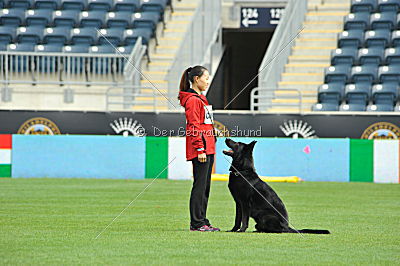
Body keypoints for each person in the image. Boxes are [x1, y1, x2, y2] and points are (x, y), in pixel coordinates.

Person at [178, 65, 220, 232]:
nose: (208, 81)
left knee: (205, 187)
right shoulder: (194, 100)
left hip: (207, 146)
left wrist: (211, 131)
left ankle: (202, 220)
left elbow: (203, 123)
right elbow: (193, 127)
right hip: (201, 149)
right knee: (200, 186)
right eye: (206, 77)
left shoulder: (201, 99)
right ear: (196, 79)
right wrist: (200, 149)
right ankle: (196, 223)